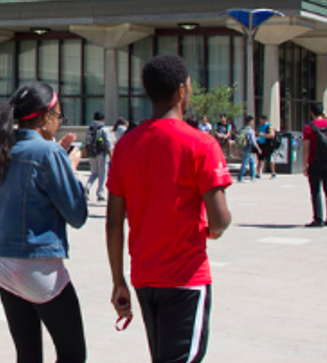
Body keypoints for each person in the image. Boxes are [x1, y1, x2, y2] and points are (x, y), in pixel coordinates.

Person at [106, 54, 232, 363]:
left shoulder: (126, 145)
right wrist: (214, 230)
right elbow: (220, 218)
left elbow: (113, 222)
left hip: (144, 278)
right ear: (180, 91)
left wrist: (118, 280)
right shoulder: (201, 144)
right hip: (185, 278)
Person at [0, 81, 88, 363]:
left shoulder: (2, 147)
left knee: (28, 353)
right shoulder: (48, 154)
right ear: (45, 116)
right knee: (72, 353)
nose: (58, 121)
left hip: (3, 263)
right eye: (58, 115)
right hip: (37, 264)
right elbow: (77, 214)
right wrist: (71, 167)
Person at [303, 102, 327, 227]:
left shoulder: (309, 127)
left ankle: (318, 219)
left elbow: (306, 148)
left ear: (312, 112)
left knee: (315, 191)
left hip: (314, 161)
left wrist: (305, 165)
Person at [85, 111, 113, 201]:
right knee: (102, 174)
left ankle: (87, 186)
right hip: (102, 153)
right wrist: (111, 155)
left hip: (91, 153)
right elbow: (108, 143)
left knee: (94, 172)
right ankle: (100, 194)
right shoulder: (104, 129)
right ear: (103, 119)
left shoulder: (90, 128)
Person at [237, 116, 258, 182]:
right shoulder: (250, 130)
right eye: (252, 121)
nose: (253, 122)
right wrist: (258, 148)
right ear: (250, 122)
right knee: (245, 163)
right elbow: (253, 141)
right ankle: (240, 177)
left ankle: (252, 176)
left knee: (251, 161)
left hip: (242, 147)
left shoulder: (242, 129)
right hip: (247, 147)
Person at [256, 115, 278, 179]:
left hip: (267, 145)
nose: (260, 121)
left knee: (270, 159)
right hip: (261, 144)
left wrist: (263, 135)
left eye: (261, 120)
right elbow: (257, 132)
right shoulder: (259, 126)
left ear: (265, 120)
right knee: (260, 159)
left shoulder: (269, 126)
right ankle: (258, 173)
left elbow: (272, 135)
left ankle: (273, 173)